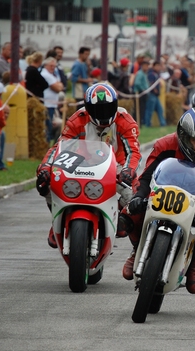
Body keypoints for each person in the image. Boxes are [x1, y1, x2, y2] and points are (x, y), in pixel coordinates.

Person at [117, 108, 195, 294]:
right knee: (129, 212)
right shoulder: (164, 144)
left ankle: (192, 264)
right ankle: (137, 249)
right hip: (160, 191)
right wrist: (138, 197)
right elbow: (145, 177)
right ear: (184, 136)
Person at [35, 83, 142, 248]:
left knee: (135, 195)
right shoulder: (78, 119)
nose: (104, 114)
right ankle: (58, 219)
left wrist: (129, 170)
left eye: (108, 108)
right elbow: (58, 147)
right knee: (47, 183)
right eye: (99, 110)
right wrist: (44, 167)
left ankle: (120, 216)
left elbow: (133, 151)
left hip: (115, 165)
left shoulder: (125, 120)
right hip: (80, 163)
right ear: (88, 108)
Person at [40, 57, 64, 144]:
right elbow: (57, 89)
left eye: (54, 66)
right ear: (45, 65)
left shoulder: (53, 74)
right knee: (47, 126)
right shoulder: (45, 74)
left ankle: (49, 143)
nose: (53, 67)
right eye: (51, 65)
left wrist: (58, 85)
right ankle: (46, 144)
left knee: (49, 125)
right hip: (47, 104)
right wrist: (58, 85)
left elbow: (61, 85)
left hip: (52, 104)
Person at [144, 61, 167, 127]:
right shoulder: (151, 74)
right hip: (152, 95)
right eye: (157, 66)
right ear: (154, 66)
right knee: (149, 110)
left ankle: (163, 123)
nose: (159, 67)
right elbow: (151, 83)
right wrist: (154, 89)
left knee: (160, 109)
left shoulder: (156, 74)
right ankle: (147, 124)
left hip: (156, 96)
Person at [132, 60, 150, 125]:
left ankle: (140, 123)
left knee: (142, 109)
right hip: (139, 93)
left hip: (143, 93)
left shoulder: (144, 73)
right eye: (146, 66)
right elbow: (137, 83)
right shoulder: (140, 73)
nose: (147, 67)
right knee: (139, 109)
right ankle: (137, 122)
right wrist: (143, 90)